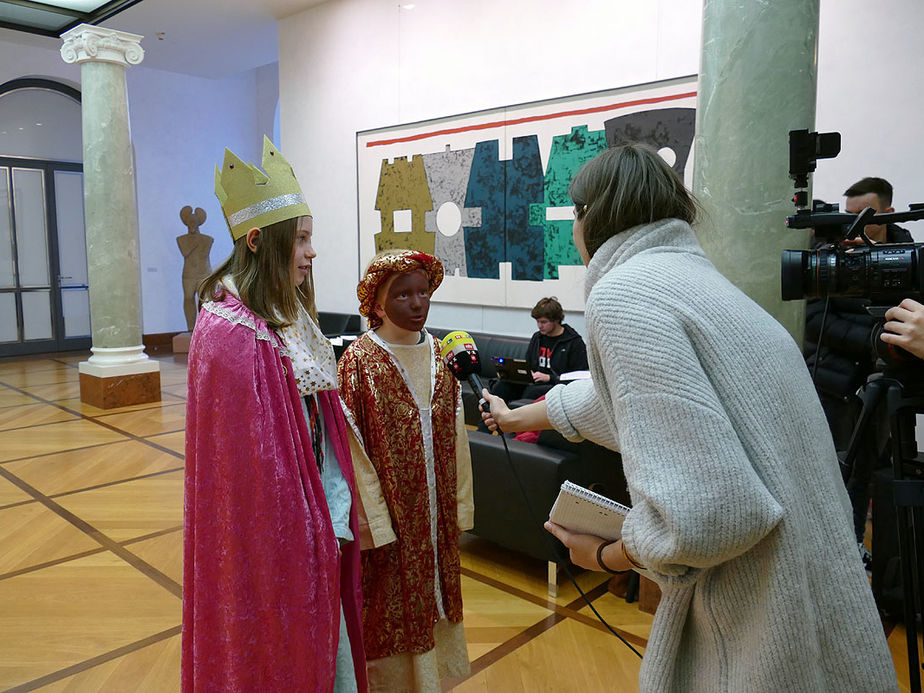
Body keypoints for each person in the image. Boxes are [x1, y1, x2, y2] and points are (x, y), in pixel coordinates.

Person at [482, 144, 898, 692]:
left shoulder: (623, 294)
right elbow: (629, 404)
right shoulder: (706, 285)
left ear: (588, 217)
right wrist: (515, 419)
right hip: (823, 597)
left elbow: (710, 517)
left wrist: (607, 554)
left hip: (761, 628)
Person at [183, 137, 366, 692]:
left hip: (314, 518)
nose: (312, 252)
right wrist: (309, 522)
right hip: (274, 539)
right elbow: (250, 473)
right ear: (259, 240)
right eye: (302, 239)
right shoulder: (231, 333)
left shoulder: (284, 316)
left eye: (312, 237)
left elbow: (314, 423)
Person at [337, 249, 473, 693]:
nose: (417, 304)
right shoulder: (358, 363)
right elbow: (352, 450)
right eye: (402, 295)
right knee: (390, 611)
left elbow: (457, 435)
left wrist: (459, 508)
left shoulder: (441, 356)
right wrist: (374, 521)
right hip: (391, 526)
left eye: (423, 292)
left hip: (436, 522)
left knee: (435, 601)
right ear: (376, 303)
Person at [804, 177, 913, 566]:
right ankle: (824, 558)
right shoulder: (829, 254)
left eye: (861, 216)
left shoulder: (908, 257)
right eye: (847, 215)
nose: (851, 224)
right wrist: (876, 336)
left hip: (884, 385)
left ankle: (850, 553)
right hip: (833, 386)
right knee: (828, 473)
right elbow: (814, 321)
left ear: (886, 212)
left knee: (865, 472)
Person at [490, 297, 588, 404]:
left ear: (556, 320)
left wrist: (549, 378)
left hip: (557, 386)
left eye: (544, 322)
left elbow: (579, 376)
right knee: (501, 386)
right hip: (534, 382)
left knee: (532, 392)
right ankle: (489, 420)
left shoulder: (574, 342)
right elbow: (529, 363)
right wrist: (527, 373)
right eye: (538, 322)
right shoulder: (537, 338)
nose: (539, 326)